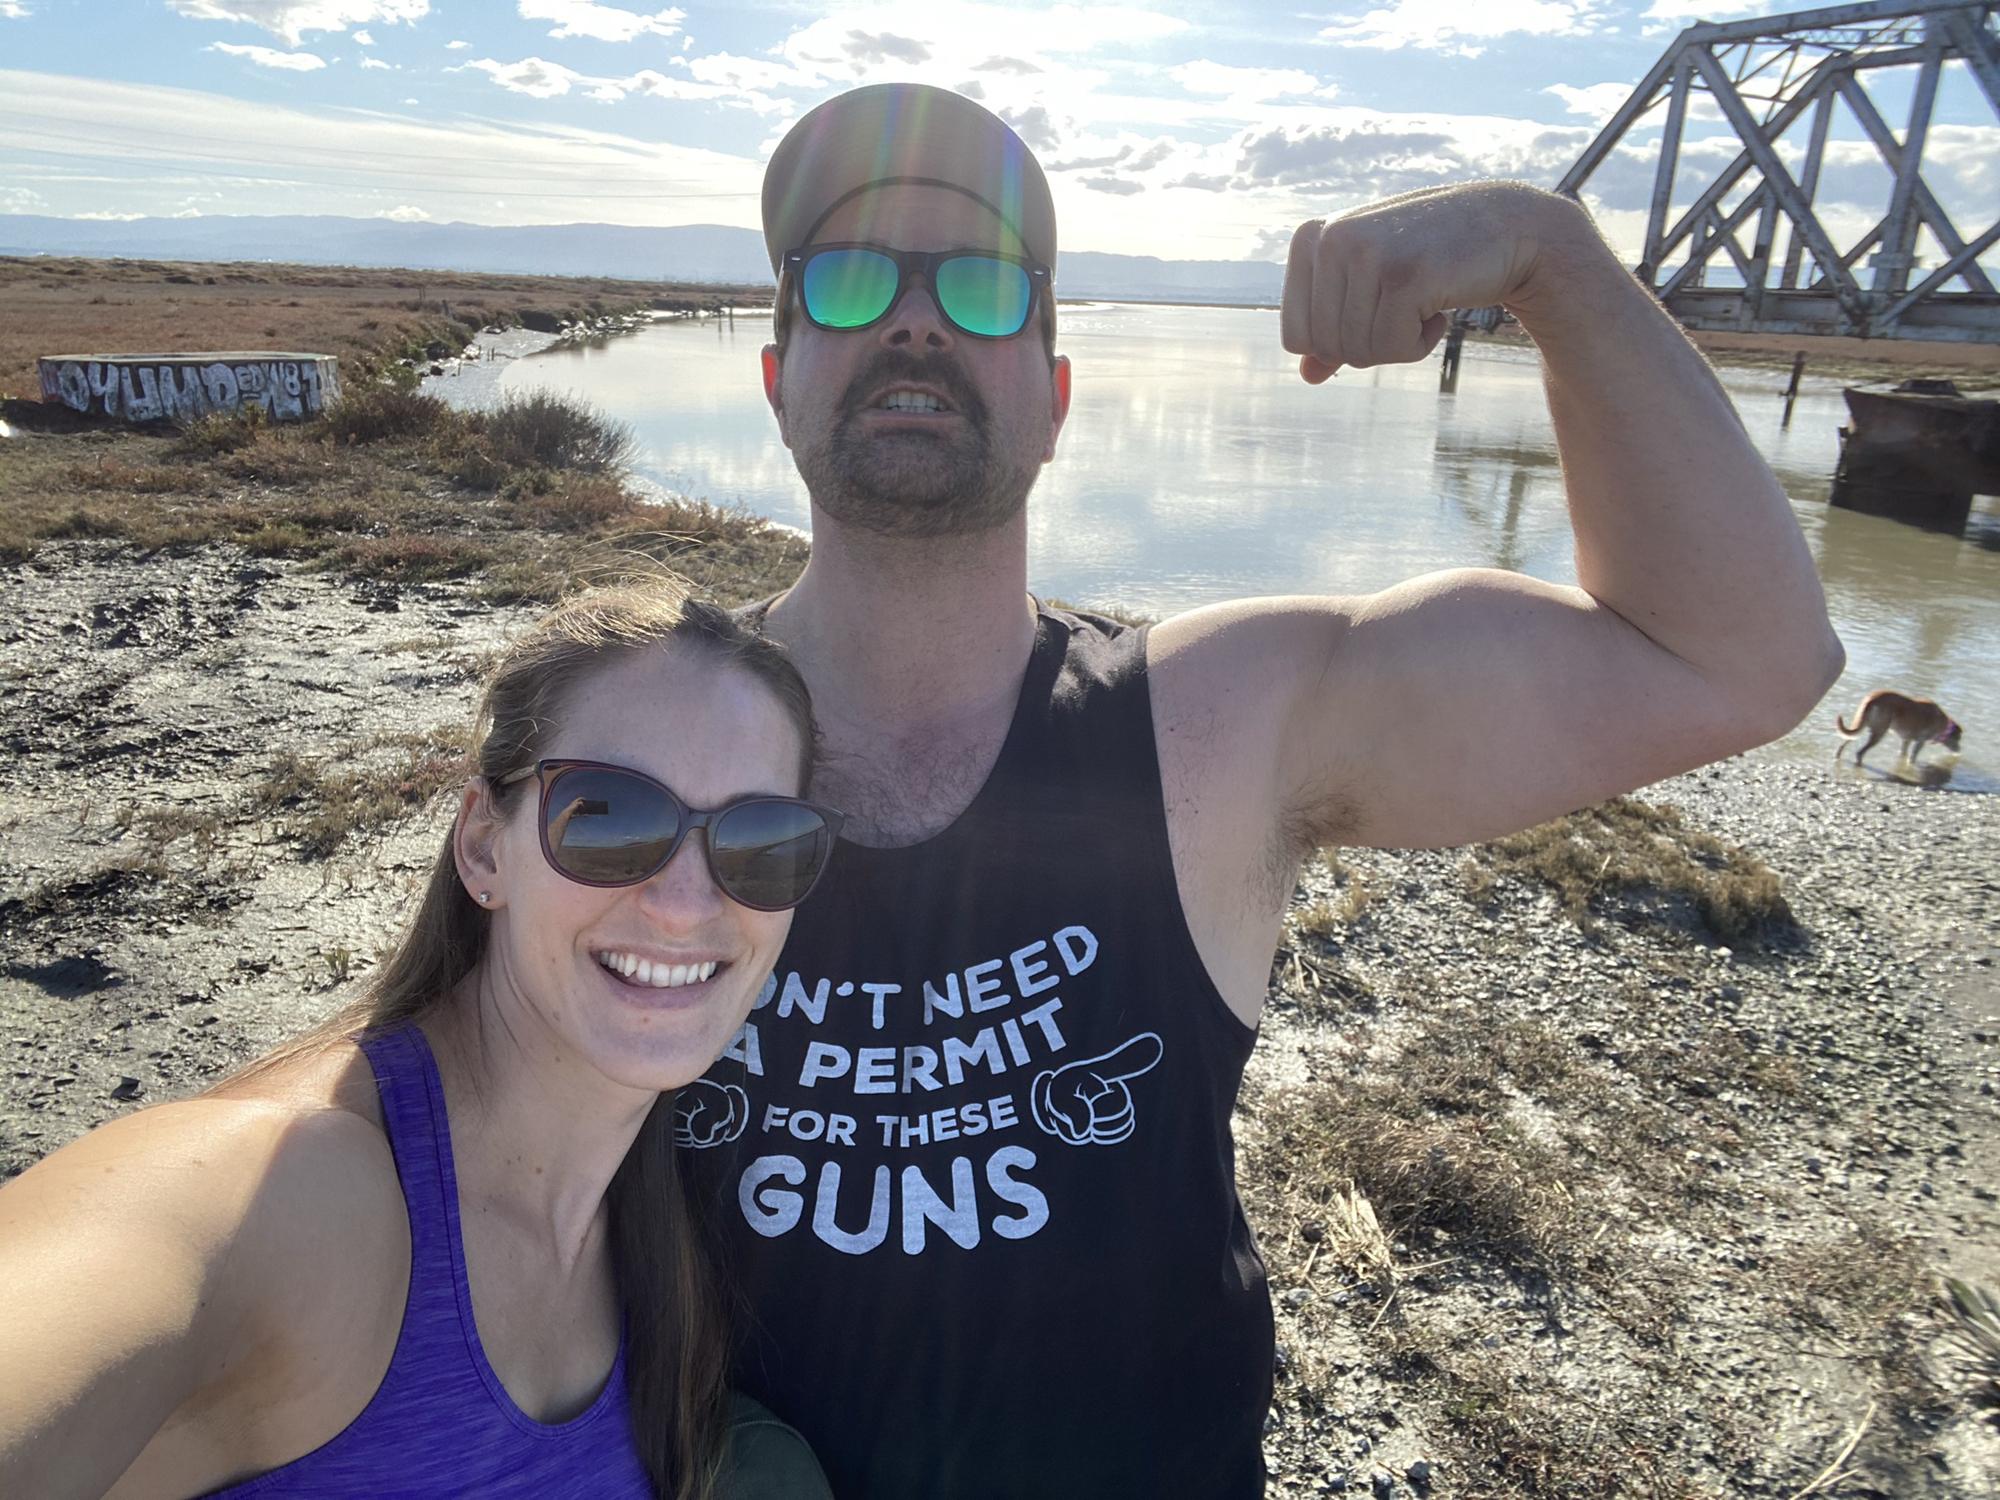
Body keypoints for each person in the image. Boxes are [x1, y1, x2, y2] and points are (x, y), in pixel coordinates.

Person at [673, 83, 1846, 1498]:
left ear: (1053, 399)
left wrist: (1551, 258)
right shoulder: (638, 740)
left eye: (982, 290)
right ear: (776, 369)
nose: (914, 322)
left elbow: (1740, 660)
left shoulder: (1214, 724)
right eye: (849, 280)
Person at [0, 586, 838, 1500]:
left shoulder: (647, 1229)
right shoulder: (285, 1194)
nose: (685, 906)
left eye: (761, 843)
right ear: (484, 844)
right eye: (607, 818)